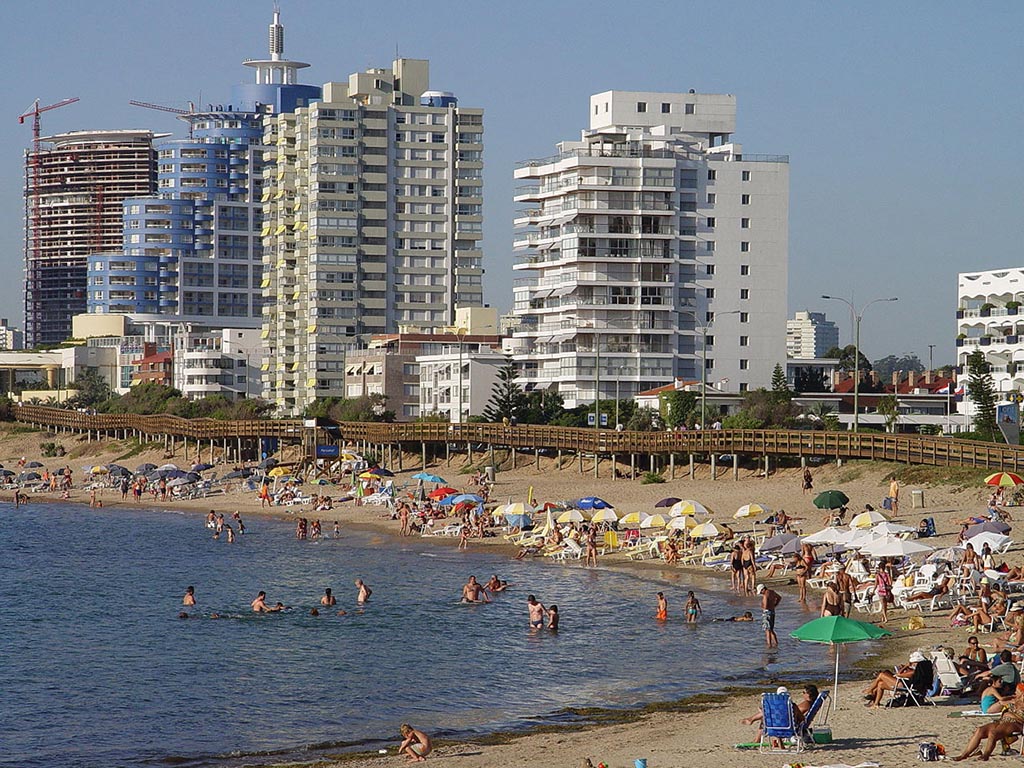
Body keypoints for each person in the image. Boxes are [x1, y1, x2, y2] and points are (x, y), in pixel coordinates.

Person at [952, 687, 1024, 761]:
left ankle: (986, 755)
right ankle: (964, 755)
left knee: (993, 733)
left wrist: (1011, 715)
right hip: (1002, 720)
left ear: (1022, 693)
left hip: (1015, 723)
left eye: (1017, 691)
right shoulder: (1013, 700)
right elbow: (993, 709)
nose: (1015, 692)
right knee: (980, 730)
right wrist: (1002, 703)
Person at [862, 650, 934, 707]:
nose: (912, 664)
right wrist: (908, 667)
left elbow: (899, 674)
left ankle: (869, 691)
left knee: (881, 675)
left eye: (912, 663)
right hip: (907, 684)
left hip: (903, 685)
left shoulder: (913, 672)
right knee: (880, 684)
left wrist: (906, 666)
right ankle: (876, 704)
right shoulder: (921, 671)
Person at [757, 584, 781, 648]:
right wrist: (775, 605)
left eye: (761, 592)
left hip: (767, 613)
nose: (761, 593)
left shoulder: (765, 595)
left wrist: (762, 605)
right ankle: (776, 643)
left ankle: (769, 645)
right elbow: (779, 597)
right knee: (771, 629)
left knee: (767, 630)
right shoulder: (772, 592)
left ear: (763, 589)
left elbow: (765, 606)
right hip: (772, 612)